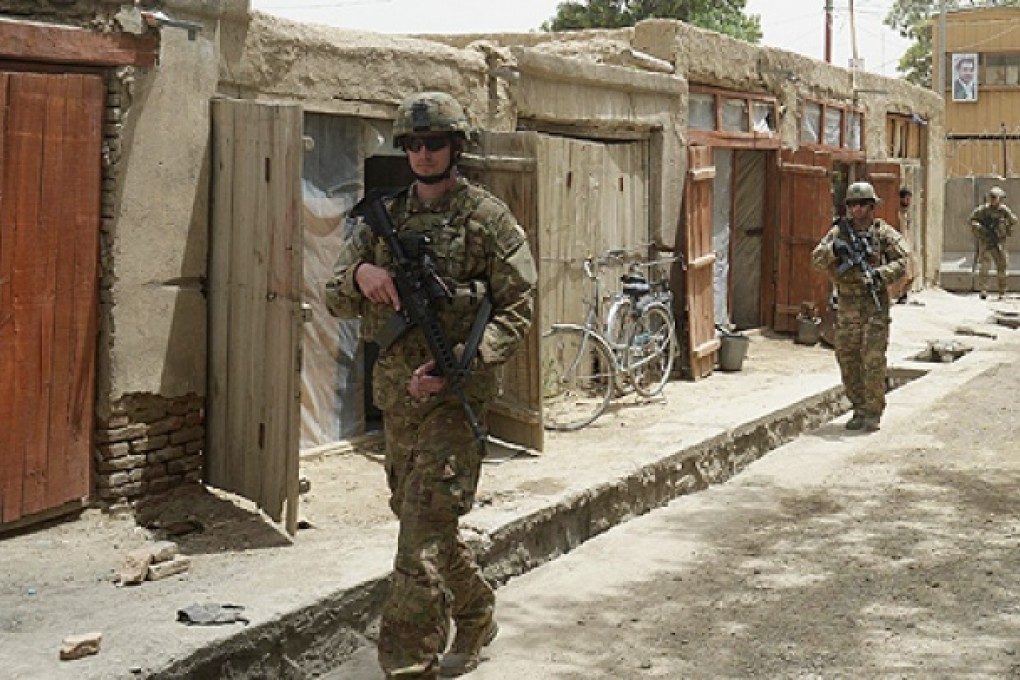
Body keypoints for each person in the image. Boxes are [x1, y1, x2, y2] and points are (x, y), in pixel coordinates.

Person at [325, 91, 536, 679]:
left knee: (418, 542)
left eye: (434, 142)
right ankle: (475, 608)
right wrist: (363, 273)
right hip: (398, 402)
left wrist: (465, 365)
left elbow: (519, 307)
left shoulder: (487, 219)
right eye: (413, 144)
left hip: (454, 400)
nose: (422, 153)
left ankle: (407, 666)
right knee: (425, 526)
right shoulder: (383, 219)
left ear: (456, 146)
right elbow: (333, 293)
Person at [811, 182, 909, 432]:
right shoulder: (838, 232)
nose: (857, 209)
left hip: (874, 303)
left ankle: (874, 411)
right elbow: (816, 259)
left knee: (873, 358)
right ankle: (859, 408)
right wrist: (834, 250)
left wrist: (879, 274)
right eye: (852, 204)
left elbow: (903, 263)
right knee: (848, 357)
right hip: (847, 305)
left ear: (872, 206)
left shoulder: (883, 233)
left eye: (862, 204)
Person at [969, 186, 1017, 300]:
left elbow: (1014, 220)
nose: (994, 200)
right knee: (985, 266)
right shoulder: (983, 210)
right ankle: (983, 290)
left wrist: (1006, 226)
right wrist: (980, 228)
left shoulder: (1003, 210)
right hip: (987, 241)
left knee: (1002, 266)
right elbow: (972, 220)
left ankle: (1002, 291)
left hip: (1000, 241)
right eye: (992, 198)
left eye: (996, 198)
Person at [892, 187, 915, 304]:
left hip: (907, 243)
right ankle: (898, 294)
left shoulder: (905, 213)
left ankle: (904, 293)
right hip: (898, 244)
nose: (908, 201)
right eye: (906, 199)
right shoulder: (896, 212)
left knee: (913, 269)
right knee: (903, 271)